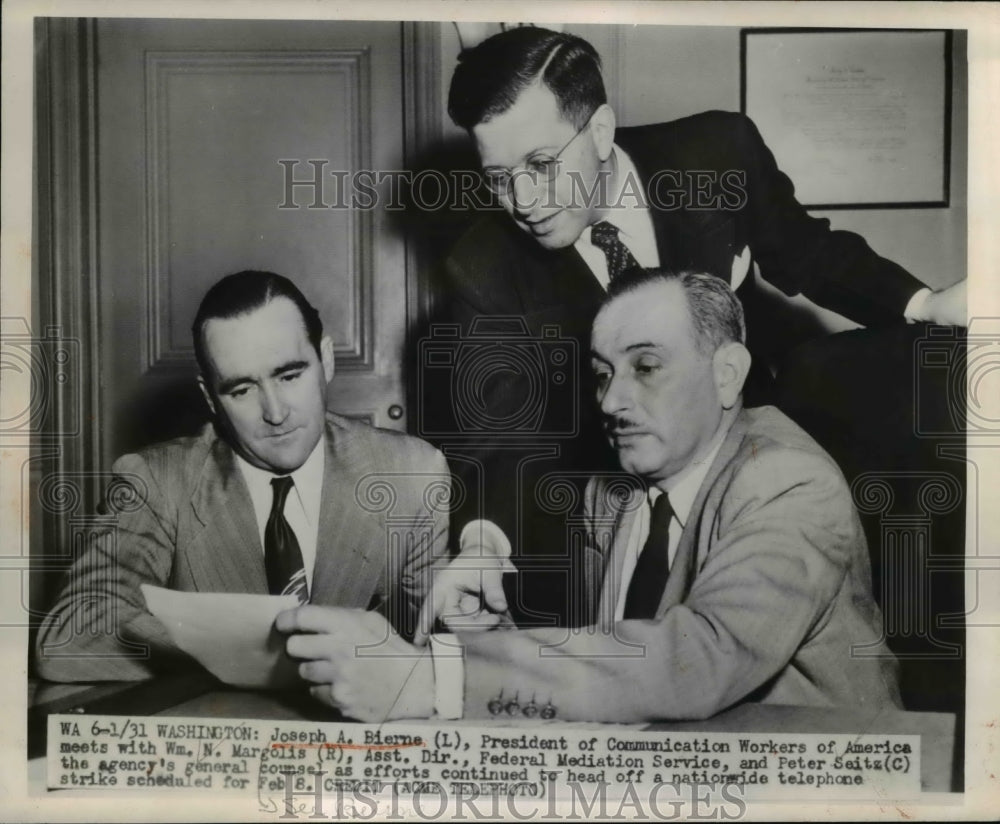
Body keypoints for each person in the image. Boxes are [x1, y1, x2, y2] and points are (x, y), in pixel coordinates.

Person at [423, 26, 966, 627]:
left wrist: (923, 303)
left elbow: (807, 251)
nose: (522, 200)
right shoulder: (483, 263)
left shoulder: (715, 153)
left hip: (760, 458)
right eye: (498, 176)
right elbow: (502, 435)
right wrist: (482, 545)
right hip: (617, 495)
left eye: (542, 164)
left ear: (600, 131)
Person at [278, 268, 901, 722]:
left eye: (646, 367)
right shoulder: (619, 492)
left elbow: (695, 661)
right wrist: (488, 629)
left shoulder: (788, 481)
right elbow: (617, 664)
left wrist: (433, 680)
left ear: (727, 373)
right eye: (602, 374)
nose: (610, 401)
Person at [35, 271, 449, 682]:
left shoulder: (409, 475)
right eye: (241, 390)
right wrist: (248, 653)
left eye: (289, 376)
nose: (275, 412)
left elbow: (451, 640)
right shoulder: (157, 483)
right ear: (209, 398)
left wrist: (476, 614)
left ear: (326, 359)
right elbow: (71, 637)